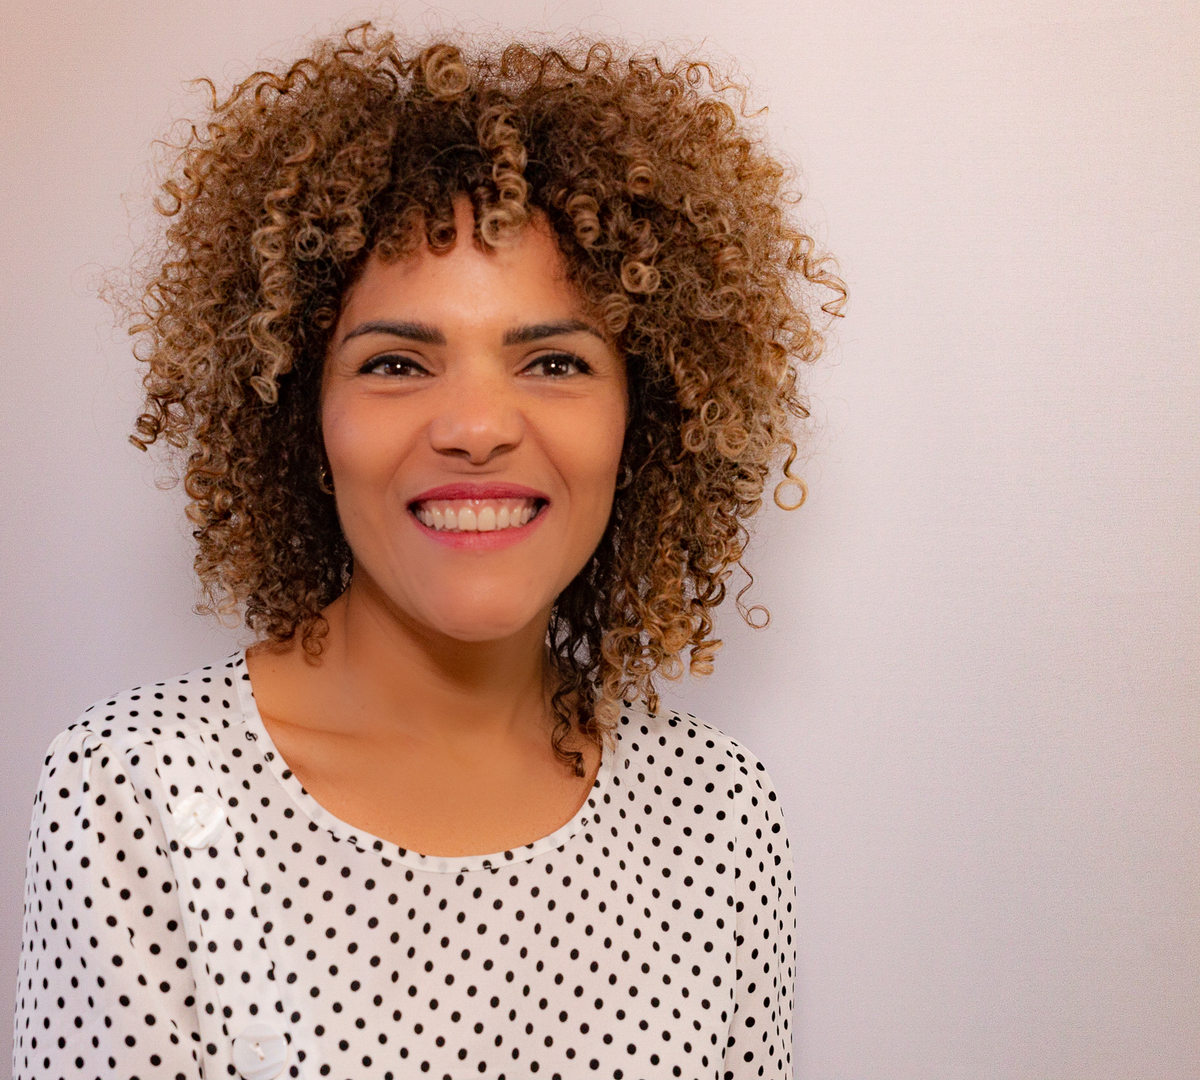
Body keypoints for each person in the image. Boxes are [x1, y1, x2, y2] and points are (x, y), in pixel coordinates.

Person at [14, 24, 842, 1080]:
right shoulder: (138, 794)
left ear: (646, 420)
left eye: (553, 361)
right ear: (301, 418)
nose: (476, 428)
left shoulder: (721, 816)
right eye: (398, 363)